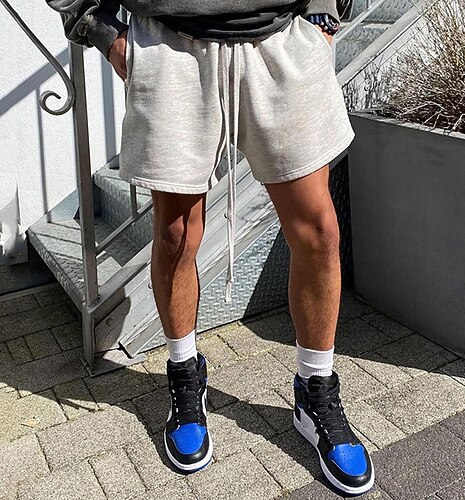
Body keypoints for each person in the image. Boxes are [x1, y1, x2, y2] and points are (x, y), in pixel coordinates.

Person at [46, 0, 375, 495]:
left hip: (281, 37)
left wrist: (327, 10)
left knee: (318, 231)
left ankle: (316, 390)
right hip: (172, 44)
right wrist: (102, 29)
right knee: (176, 235)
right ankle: (184, 375)